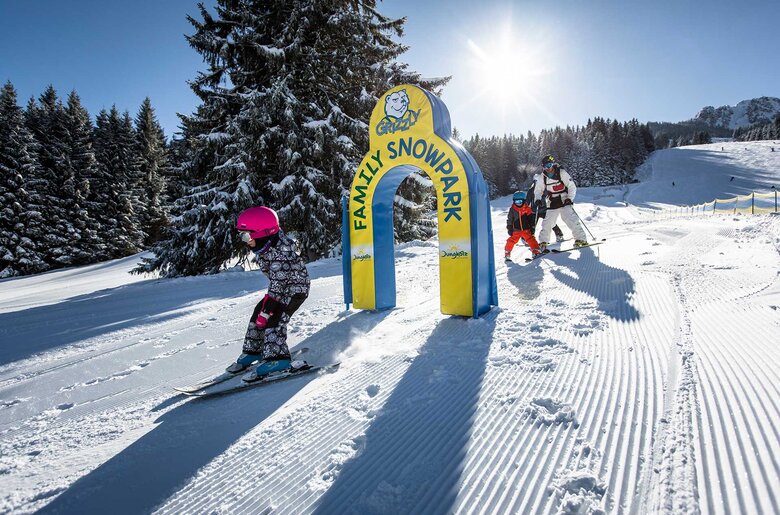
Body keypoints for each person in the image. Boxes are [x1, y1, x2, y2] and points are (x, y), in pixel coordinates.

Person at [227, 206, 311, 382]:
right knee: (258, 313)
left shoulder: (280, 252)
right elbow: (276, 284)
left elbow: (280, 283)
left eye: (247, 236)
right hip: (280, 288)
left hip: (295, 290)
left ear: (262, 233)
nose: (244, 240)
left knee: (274, 318)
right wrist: (264, 309)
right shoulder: (266, 245)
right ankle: (253, 351)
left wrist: (268, 309)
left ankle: (277, 359)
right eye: (242, 235)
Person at [534, 155, 588, 251]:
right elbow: (538, 190)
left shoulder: (561, 172)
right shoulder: (543, 177)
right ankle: (543, 242)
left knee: (570, 219)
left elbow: (571, 186)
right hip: (552, 201)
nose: (548, 168)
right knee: (547, 222)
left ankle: (581, 239)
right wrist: (537, 199)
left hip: (564, 199)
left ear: (553, 164)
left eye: (549, 165)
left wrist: (569, 198)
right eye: (545, 166)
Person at [505, 191, 542, 260]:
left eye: (520, 201)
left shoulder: (527, 209)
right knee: (511, 241)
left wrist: (532, 227)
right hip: (516, 230)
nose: (518, 203)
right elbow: (510, 219)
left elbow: (531, 219)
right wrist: (509, 227)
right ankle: (507, 252)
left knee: (531, 239)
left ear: (524, 201)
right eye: (516, 202)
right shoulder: (512, 209)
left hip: (526, 229)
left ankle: (536, 251)